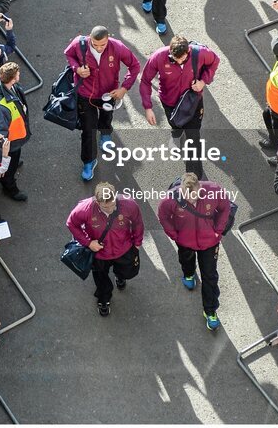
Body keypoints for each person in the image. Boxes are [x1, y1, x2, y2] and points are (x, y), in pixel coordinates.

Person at [63, 26, 140, 181]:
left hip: (108, 93)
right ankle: (89, 161)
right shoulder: (79, 43)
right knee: (88, 129)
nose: (98, 48)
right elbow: (69, 55)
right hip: (85, 94)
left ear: (108, 39)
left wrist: (124, 88)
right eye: (95, 44)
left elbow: (135, 65)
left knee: (106, 115)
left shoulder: (117, 46)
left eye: (102, 45)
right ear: (90, 38)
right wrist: (76, 69)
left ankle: (105, 134)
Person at [158, 172, 231, 331]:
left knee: (210, 276)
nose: (191, 200)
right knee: (186, 260)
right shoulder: (170, 198)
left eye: (195, 196)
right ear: (181, 189)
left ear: (200, 187)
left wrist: (218, 230)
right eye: (187, 197)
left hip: (210, 242)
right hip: (185, 241)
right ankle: (189, 273)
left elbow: (225, 208)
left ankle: (210, 311)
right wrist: (174, 234)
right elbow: (163, 217)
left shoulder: (214, 190)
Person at [139, 35, 219, 177]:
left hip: (193, 101)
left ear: (188, 51)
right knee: (175, 123)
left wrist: (203, 81)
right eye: (175, 59)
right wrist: (148, 107)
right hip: (169, 102)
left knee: (193, 138)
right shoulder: (158, 56)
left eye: (182, 59)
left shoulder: (200, 53)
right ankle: (175, 133)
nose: (179, 62)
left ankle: (194, 178)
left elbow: (215, 61)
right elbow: (145, 80)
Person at [66, 181, 144, 317]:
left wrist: (137, 242)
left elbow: (138, 223)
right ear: (97, 202)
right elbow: (71, 223)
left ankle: (120, 276)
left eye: (113, 205)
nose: (111, 210)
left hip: (123, 249)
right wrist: (89, 243)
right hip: (99, 255)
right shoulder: (85, 209)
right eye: (106, 207)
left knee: (128, 271)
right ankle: (104, 299)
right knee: (101, 280)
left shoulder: (129, 204)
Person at [0, 62, 30, 202]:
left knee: (15, 159)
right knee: (8, 169)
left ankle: (13, 164)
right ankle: (10, 188)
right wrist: (0, 161)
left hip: (15, 139)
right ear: (13, 79)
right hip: (11, 143)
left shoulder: (0, 82)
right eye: (18, 74)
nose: (19, 75)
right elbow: (0, 136)